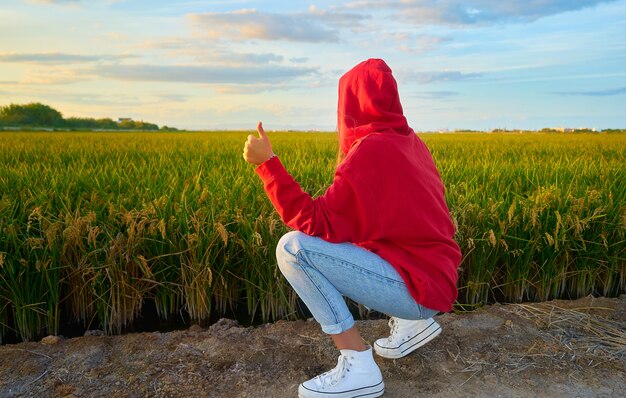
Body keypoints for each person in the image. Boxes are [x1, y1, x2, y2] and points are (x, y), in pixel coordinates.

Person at [242, 58, 461, 398]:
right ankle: (414, 323)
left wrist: (267, 165)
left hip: (416, 288)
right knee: (360, 235)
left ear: (351, 104)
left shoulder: (370, 150)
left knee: (292, 249)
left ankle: (358, 365)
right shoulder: (409, 142)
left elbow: (316, 222)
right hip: (436, 279)